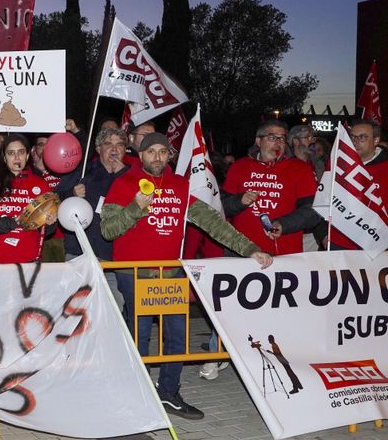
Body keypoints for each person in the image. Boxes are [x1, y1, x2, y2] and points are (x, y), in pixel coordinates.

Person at [101, 132, 272, 420]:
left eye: (162, 151)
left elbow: (214, 223)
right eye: (151, 151)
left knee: (178, 339)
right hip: (135, 275)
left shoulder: (180, 186)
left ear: (170, 155)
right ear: (140, 155)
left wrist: (250, 249)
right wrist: (135, 208)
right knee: (139, 339)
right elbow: (108, 230)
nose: (157, 156)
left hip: (171, 275)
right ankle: (136, 398)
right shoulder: (124, 183)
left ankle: (168, 393)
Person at [221, 120, 320, 255]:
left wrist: (283, 224)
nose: (278, 142)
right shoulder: (239, 166)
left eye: (282, 138)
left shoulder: (301, 169)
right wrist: (239, 201)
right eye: (272, 137)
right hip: (242, 251)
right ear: (258, 141)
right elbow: (219, 207)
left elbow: (313, 211)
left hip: (284, 253)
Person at [58, 128, 131, 307]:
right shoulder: (83, 171)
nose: (114, 149)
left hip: (115, 258)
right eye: (108, 144)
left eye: (119, 145)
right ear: (98, 149)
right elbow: (57, 198)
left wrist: (123, 175)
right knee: (78, 308)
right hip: (81, 253)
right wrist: (72, 193)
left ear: (125, 149)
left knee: (114, 306)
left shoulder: (132, 176)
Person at [0, 134, 56, 264]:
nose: (17, 157)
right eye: (11, 153)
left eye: (21, 152)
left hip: (29, 260)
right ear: (5, 158)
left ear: (27, 155)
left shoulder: (41, 184)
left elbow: (45, 231)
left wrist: (50, 223)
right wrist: (13, 222)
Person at [330, 119, 388, 250]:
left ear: (376, 140)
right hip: (338, 242)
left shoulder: (385, 168)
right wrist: (323, 234)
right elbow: (324, 200)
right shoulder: (338, 165)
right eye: (353, 137)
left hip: (376, 244)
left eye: (362, 137)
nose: (355, 141)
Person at [31, 134, 65, 262]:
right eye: (41, 145)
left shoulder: (64, 168)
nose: (45, 149)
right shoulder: (29, 170)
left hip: (63, 234)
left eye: (49, 145)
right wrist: (37, 171)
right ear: (35, 149)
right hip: (39, 234)